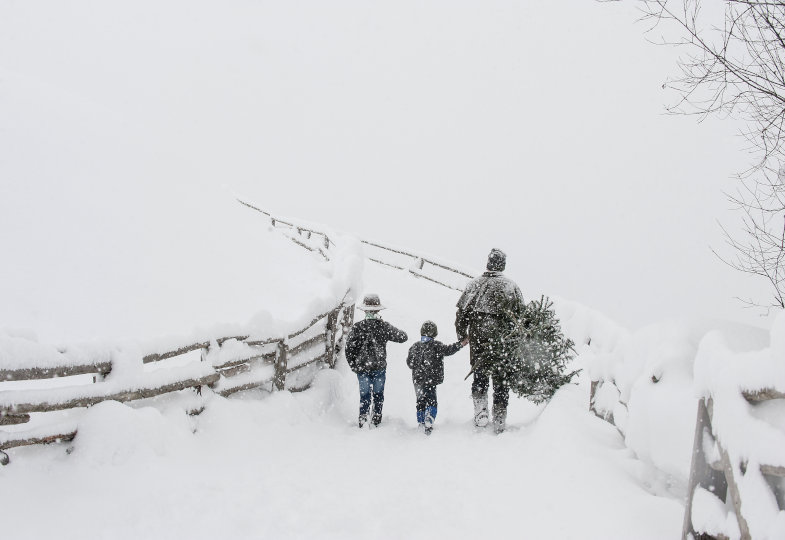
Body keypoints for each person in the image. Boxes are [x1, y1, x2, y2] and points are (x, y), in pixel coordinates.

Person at [455, 249, 525, 433]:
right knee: (501, 379)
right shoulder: (511, 287)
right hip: (503, 343)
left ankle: (481, 412)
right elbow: (521, 318)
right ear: (502, 265)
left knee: (480, 374)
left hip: (479, 339)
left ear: (488, 263)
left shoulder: (474, 285)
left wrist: (462, 336)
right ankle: (500, 416)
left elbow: (461, 314)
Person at [345, 293, 408, 428]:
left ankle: (363, 419)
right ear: (378, 310)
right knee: (378, 395)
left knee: (365, 395)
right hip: (379, 367)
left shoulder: (358, 327)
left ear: (364, 310)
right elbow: (403, 337)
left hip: (362, 368)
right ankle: (376, 419)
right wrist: (385, 326)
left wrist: (353, 365)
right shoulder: (383, 327)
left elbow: (349, 348)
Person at [406, 320, 467, 435]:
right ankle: (430, 418)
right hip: (431, 380)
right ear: (435, 333)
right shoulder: (437, 346)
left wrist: (418, 367)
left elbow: (409, 363)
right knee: (432, 400)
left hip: (418, 380)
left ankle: (421, 421)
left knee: (420, 401)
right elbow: (449, 350)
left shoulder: (415, 346)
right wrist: (461, 344)